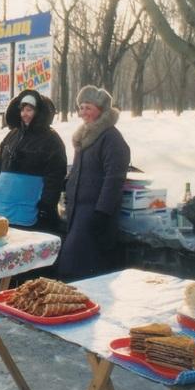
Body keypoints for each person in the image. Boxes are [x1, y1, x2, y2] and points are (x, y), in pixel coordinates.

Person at [0, 90, 67, 284]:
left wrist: (47, 204)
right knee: (2, 256)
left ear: (39, 112)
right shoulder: (12, 136)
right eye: (22, 109)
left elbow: (55, 176)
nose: (25, 114)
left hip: (29, 212)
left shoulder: (52, 141)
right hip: (3, 210)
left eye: (30, 109)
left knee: (23, 261)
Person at [57, 85, 130, 280]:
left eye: (88, 107)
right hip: (77, 211)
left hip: (94, 213)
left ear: (101, 108)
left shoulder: (111, 138)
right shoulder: (86, 136)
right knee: (74, 264)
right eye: (80, 108)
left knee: (77, 266)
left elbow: (114, 178)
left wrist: (102, 212)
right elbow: (80, 171)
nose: (82, 113)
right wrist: (67, 184)